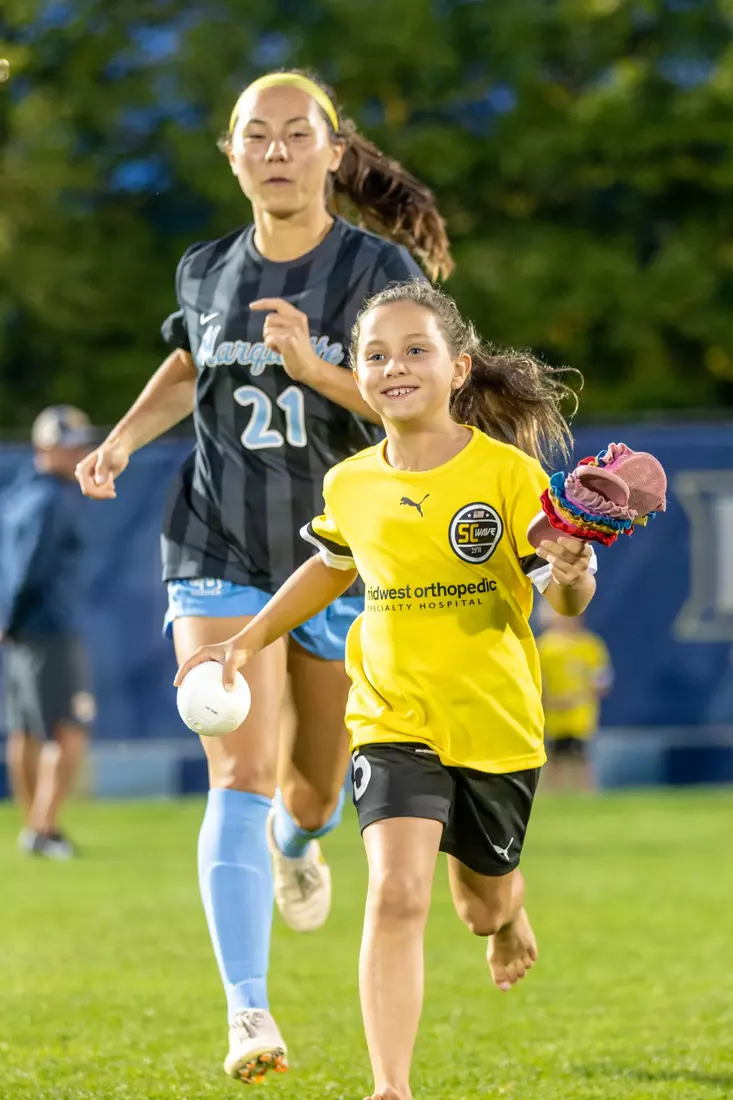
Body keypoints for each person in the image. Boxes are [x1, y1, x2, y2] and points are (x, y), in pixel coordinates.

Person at [75, 70, 453, 1083]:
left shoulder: (379, 273)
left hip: (338, 557)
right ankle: (248, 1011)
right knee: (232, 762)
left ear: (332, 153)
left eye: (297, 134)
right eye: (258, 135)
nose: (277, 150)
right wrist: (118, 440)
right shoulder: (203, 268)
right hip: (213, 545)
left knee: (313, 786)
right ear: (232, 155)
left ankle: (299, 841)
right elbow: (189, 364)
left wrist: (318, 367)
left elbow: (413, 411)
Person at [175, 279, 598, 1100]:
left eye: (414, 350)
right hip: (391, 718)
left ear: (457, 367)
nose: (392, 366)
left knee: (476, 908)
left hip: (496, 726)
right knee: (397, 892)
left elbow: (564, 590)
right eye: (374, 354)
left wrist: (574, 572)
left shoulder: (508, 476)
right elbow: (330, 565)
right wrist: (245, 638)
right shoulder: (352, 482)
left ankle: (508, 912)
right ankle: (390, 1087)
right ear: (356, 374)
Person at [1, 406, 96, 860]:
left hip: (21, 632)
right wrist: (11, 616)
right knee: (68, 728)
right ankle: (45, 829)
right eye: (70, 444)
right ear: (45, 447)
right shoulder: (51, 500)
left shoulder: (19, 495)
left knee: (23, 731)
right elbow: (31, 570)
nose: (80, 451)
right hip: (49, 629)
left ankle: (32, 827)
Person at [536, 604, 613, 790]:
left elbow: (602, 680)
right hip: (552, 719)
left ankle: (586, 799)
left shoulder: (591, 644)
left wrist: (580, 697)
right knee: (554, 762)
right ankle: (555, 800)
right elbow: (536, 680)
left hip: (581, 718)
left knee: (581, 761)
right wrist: (547, 701)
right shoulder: (544, 646)